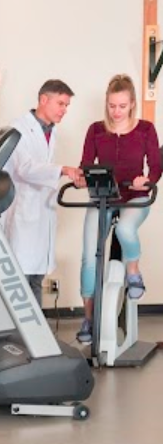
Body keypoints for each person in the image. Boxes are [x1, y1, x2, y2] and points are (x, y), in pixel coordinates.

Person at [75, 74, 162, 344]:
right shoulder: (96, 130)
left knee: (125, 228)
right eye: (112, 105)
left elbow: (157, 166)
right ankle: (88, 319)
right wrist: (81, 176)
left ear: (132, 104)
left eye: (122, 106)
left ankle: (133, 273)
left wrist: (146, 180)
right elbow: (86, 163)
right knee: (90, 257)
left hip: (134, 196)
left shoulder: (146, 129)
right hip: (103, 197)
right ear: (107, 103)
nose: (116, 112)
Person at [2, 79, 81, 306]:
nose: (64, 110)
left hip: (41, 212)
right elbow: (25, 168)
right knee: (22, 280)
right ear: (43, 100)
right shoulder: (18, 128)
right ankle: (25, 336)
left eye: (66, 106)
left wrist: (68, 175)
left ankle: (36, 336)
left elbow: (43, 169)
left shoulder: (50, 132)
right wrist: (63, 170)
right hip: (23, 212)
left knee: (36, 277)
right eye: (61, 104)